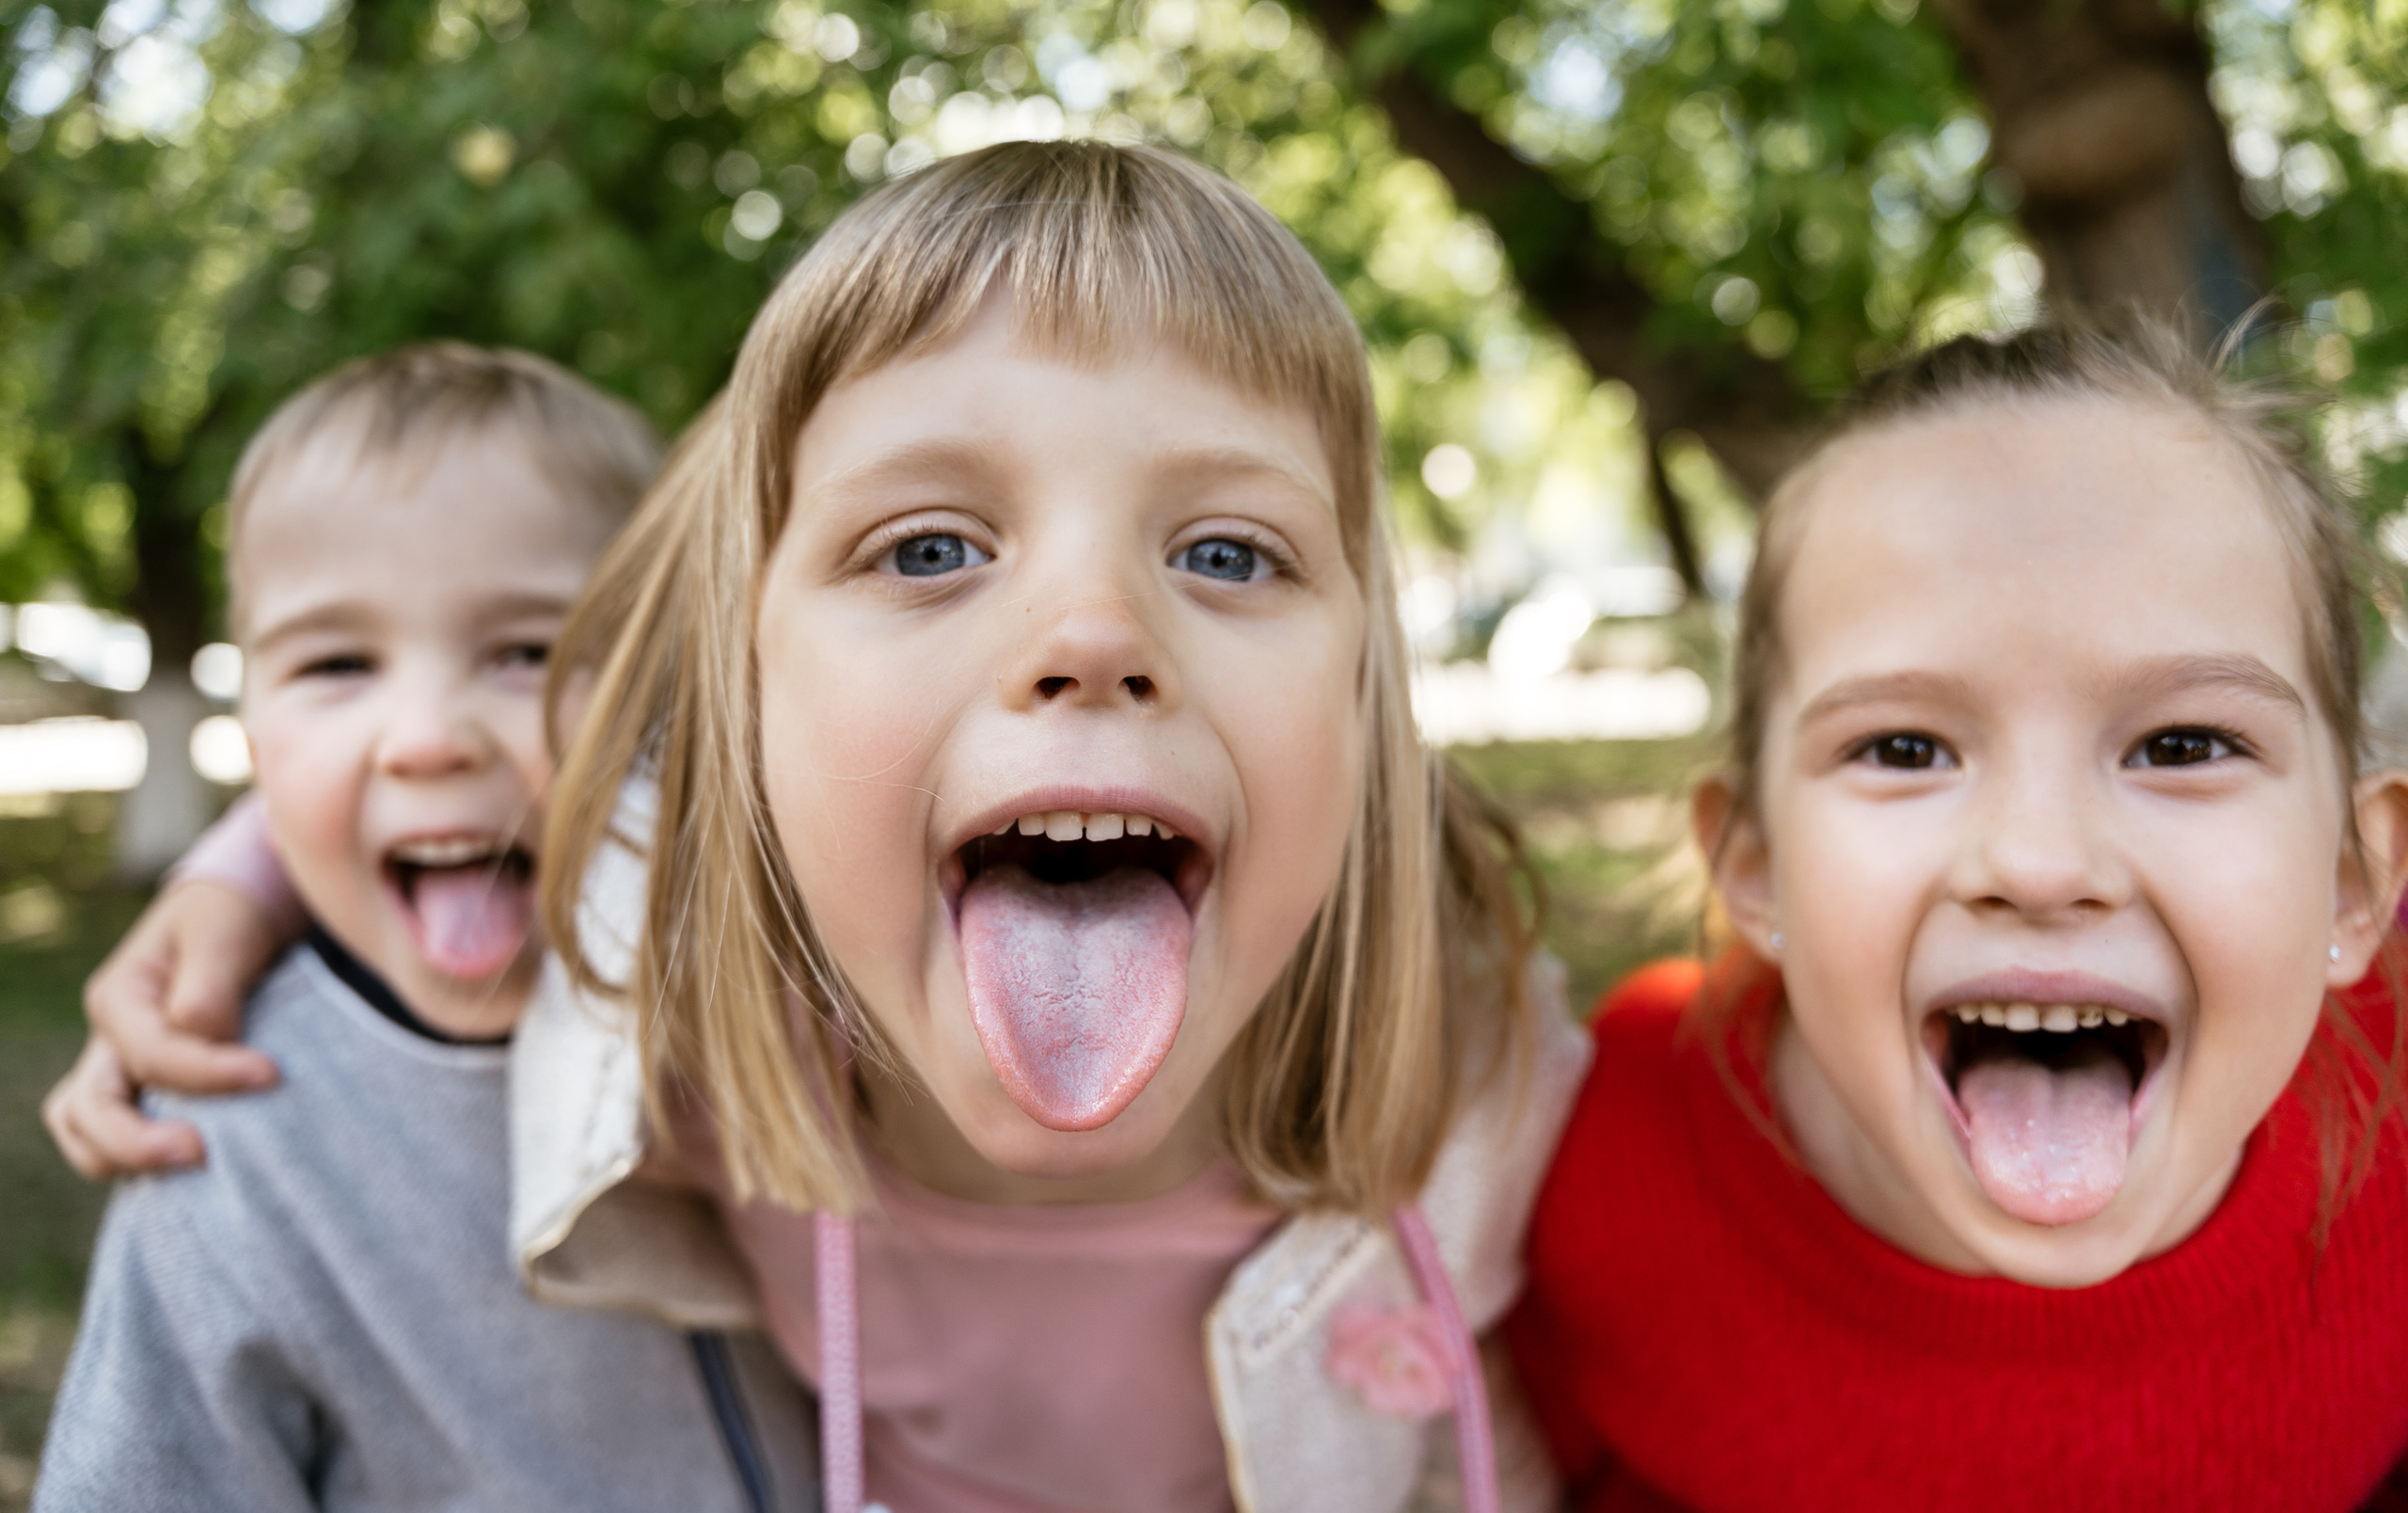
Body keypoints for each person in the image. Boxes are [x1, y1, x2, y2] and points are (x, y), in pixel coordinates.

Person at [44, 143, 1592, 1513]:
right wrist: (239, 876)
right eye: (927, 546)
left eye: (1230, 553)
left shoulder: (1478, 1081)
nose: (1094, 630)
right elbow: (495, 751)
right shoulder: (675, 1025)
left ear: (1364, 687)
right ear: (739, 687)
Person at [1507, 324, 2408, 1511]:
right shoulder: (1603, 1157)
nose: (2039, 864)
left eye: (2182, 745)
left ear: (2352, 878)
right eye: (1904, 748)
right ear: (1754, 866)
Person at [35, 345, 817, 1513]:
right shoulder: (230, 1151)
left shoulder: (766, 992)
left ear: (664, 690)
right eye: (338, 664)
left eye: (528, 654)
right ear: (251, 734)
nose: (429, 739)